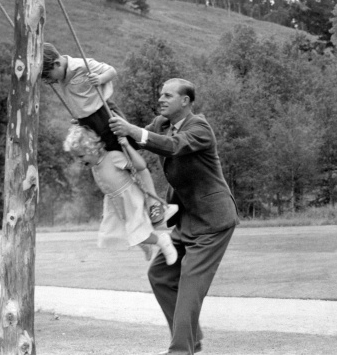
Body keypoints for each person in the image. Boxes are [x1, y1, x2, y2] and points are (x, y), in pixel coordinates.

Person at [110, 78, 239, 355]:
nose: (161, 99)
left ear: (186, 101)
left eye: (168, 95)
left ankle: (181, 350)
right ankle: (192, 338)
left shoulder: (199, 127)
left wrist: (132, 130)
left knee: (190, 286)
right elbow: (132, 137)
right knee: (160, 275)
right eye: (160, 95)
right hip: (186, 219)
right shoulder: (162, 123)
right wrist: (102, 109)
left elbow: (172, 146)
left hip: (213, 221)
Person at [42, 42, 167, 224]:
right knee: (102, 163)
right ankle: (121, 205)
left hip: (105, 115)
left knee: (131, 160)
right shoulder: (59, 75)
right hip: (87, 122)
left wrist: (100, 80)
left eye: (47, 76)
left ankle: (153, 202)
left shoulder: (81, 65)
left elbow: (111, 71)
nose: (48, 81)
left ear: (56, 64)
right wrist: (79, 116)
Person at [63, 124, 178, 263]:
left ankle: (162, 241)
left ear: (92, 149)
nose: (80, 161)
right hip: (117, 203)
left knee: (136, 231)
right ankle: (145, 244)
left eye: (81, 156)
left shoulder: (113, 157)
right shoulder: (95, 167)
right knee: (118, 233)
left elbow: (140, 166)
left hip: (130, 198)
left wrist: (128, 147)